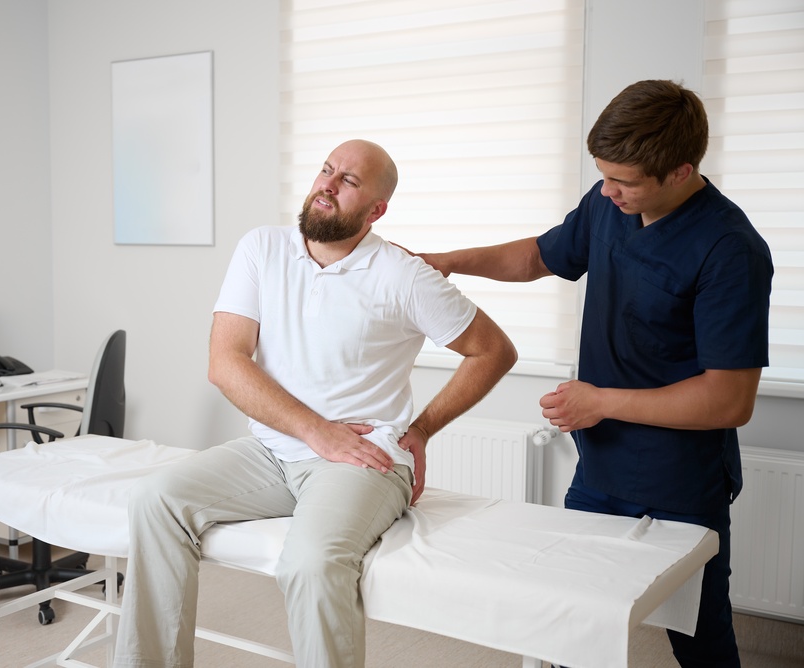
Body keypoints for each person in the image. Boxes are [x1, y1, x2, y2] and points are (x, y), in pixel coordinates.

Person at [112, 139, 517, 668]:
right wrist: (313, 430)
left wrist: (419, 430)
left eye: (348, 181)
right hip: (273, 453)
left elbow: (493, 350)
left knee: (308, 562)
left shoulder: (403, 274)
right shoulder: (262, 249)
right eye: (326, 171)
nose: (327, 184)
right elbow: (226, 363)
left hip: (360, 459)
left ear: (377, 210)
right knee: (155, 499)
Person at [413, 80, 773, 668]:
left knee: (698, 637)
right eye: (602, 174)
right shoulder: (611, 202)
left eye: (623, 181)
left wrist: (600, 401)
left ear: (681, 171)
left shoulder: (731, 250)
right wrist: (449, 263)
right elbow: (539, 256)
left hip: (682, 479)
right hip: (601, 466)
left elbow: (729, 399)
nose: (607, 191)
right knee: (571, 621)